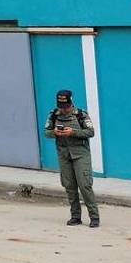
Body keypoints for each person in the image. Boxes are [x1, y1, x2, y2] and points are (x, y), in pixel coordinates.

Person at [43, 89, 99, 227]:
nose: (63, 110)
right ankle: (75, 216)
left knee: (84, 185)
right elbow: (46, 132)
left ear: (71, 103)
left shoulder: (81, 114)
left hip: (80, 154)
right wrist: (54, 132)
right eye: (61, 107)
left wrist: (73, 132)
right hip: (64, 154)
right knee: (69, 186)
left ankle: (94, 217)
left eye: (66, 107)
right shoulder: (53, 115)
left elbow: (91, 132)